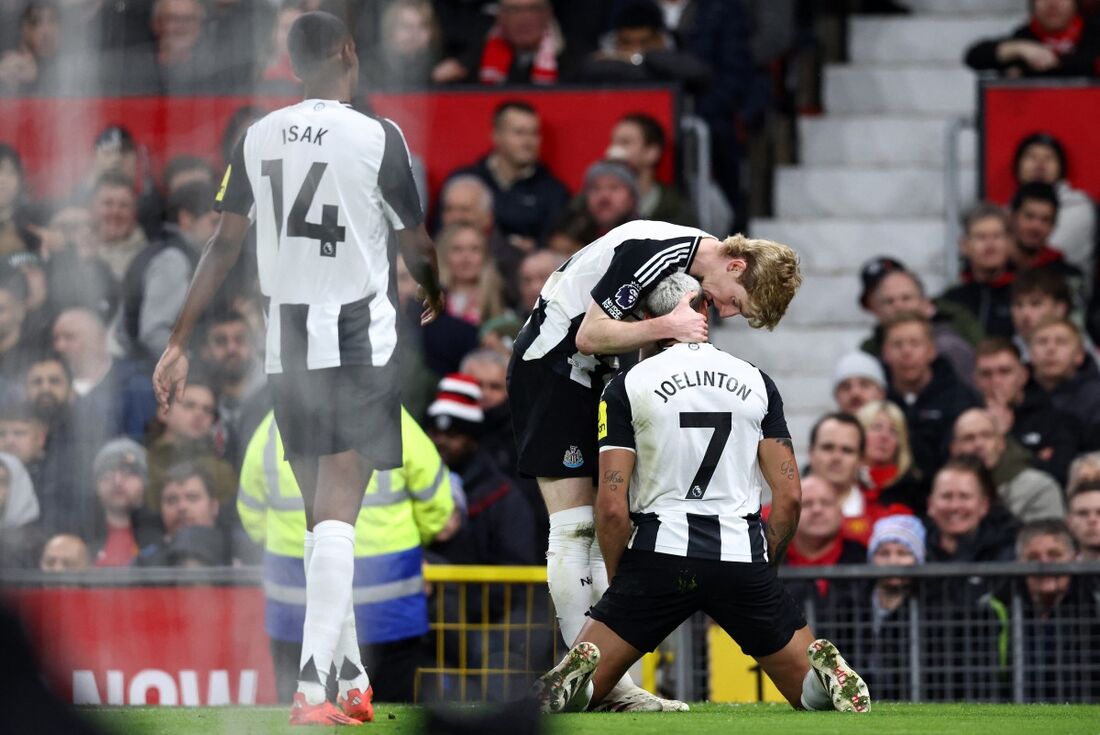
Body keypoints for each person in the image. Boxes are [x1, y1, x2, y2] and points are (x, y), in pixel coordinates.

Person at [152, 12, 444, 726]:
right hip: (358, 336)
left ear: (288, 63)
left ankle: (347, 678)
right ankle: (313, 687)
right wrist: (430, 287)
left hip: (286, 342)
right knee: (341, 506)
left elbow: (223, 245)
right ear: (348, 52)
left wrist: (177, 339)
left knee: (322, 521)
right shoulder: (379, 136)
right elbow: (417, 240)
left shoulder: (256, 136)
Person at [533, 272, 869, 715]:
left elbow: (612, 507)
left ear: (649, 318)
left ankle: (578, 675)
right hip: (740, 556)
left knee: (590, 694)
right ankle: (825, 677)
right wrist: (765, 566)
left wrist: (622, 582)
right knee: (807, 698)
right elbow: (789, 496)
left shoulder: (628, 386)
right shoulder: (757, 381)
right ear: (703, 308)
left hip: (659, 556)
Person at [508, 219, 800, 711]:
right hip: (554, 368)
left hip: (597, 377)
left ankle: (606, 685)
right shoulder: (659, 250)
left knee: (606, 528)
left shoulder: (683, 263)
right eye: (735, 302)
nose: (723, 312)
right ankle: (601, 687)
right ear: (735, 264)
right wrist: (669, 327)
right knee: (575, 529)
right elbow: (589, 334)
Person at [239, 407, 456, 703]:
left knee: (307, 717)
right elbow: (438, 505)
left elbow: (250, 513)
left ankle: (313, 700)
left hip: (296, 609)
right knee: (390, 713)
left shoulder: (275, 424)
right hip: (388, 609)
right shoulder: (392, 416)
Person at [444, 101, 570, 248]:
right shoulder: (464, 182)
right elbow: (441, 236)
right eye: (519, 132)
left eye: (534, 133)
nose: (528, 142)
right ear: (496, 135)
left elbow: (556, 248)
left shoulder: (554, 192)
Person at [118, 181, 219, 361]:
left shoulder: (158, 250)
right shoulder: (173, 261)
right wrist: (192, 364)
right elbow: (153, 333)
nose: (221, 232)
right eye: (214, 223)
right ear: (186, 218)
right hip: (150, 374)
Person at [880, 312, 982, 481]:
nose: (906, 352)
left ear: (931, 351)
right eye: (897, 345)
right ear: (885, 353)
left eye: (915, 343)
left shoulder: (960, 398)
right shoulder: (877, 399)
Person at [973, 338, 1081, 486]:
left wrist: (1005, 436)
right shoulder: (963, 421)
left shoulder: (1055, 421)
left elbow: (1058, 475)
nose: (996, 381)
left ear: (1023, 375)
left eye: (1005, 372)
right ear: (975, 380)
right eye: (986, 374)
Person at [858, 257, 981, 386]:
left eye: (906, 298)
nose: (898, 306)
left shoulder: (950, 347)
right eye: (889, 301)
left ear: (925, 304)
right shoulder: (868, 355)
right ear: (876, 309)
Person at [948, 408, 1065, 523]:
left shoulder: (1038, 488)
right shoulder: (944, 487)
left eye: (987, 436)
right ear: (954, 449)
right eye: (969, 438)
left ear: (1001, 444)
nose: (979, 444)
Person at [1013, 132, 1097, 282]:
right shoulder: (1004, 210)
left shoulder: (1079, 208)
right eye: (1031, 157)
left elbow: (1044, 251)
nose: (1040, 165)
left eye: (1049, 158)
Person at [964, 0, 1100, 77]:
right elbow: (975, 57)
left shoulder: (1093, 36)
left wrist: (1053, 62)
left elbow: (1087, 63)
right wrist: (1018, 49)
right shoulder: (1024, 37)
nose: (1052, 4)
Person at [940, 203, 1016, 338]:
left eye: (997, 236)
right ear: (964, 246)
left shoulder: (1026, 296)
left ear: (1009, 243)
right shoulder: (950, 301)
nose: (990, 245)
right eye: (981, 237)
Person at [605, 113, 696, 226]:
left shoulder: (675, 210)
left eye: (625, 142)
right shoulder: (592, 203)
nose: (613, 151)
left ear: (652, 152)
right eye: (614, 142)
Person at [924, 456, 1018, 564]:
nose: (955, 506)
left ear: (984, 506)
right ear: (930, 505)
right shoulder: (912, 550)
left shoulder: (1010, 552)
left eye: (965, 497)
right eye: (946, 496)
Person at [134, 461, 230, 567]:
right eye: (172, 500)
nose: (182, 507)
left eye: (192, 497)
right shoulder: (145, 564)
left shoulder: (238, 552)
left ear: (213, 507)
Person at [1027, 317, 1100, 442]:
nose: (1050, 349)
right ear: (1031, 354)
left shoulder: (1096, 398)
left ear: (1079, 355)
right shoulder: (1018, 395)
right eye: (1042, 342)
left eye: (1061, 342)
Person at [87, 438, 158, 567]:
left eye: (128, 473)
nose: (118, 481)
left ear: (144, 483)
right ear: (96, 485)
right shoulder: (82, 534)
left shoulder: (159, 532)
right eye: (107, 474)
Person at [855, 400, 927, 515]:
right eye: (876, 428)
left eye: (893, 431)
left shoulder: (915, 489)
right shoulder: (845, 484)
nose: (884, 436)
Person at [1010, 268, 1075, 360]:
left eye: (1035, 304)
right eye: (1018, 305)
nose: (1025, 314)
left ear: (1060, 309)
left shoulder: (1082, 353)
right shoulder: (1002, 354)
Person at [831, 351, 887, 416]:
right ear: (836, 396)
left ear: (881, 393)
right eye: (846, 387)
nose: (855, 393)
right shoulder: (825, 426)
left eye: (864, 385)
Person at [1067, 480, 1100, 560]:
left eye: (1099, 513)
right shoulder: (1059, 570)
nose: (1092, 520)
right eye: (1083, 513)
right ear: (1069, 522)